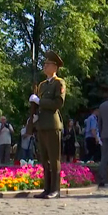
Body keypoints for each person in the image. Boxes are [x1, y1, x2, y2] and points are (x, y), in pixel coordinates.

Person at [29, 50, 66, 199]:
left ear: (55, 67)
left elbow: (58, 103)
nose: (44, 66)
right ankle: (47, 188)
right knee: (44, 158)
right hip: (42, 124)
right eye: (44, 64)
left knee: (54, 158)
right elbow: (37, 105)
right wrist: (34, 114)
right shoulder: (43, 85)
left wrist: (39, 101)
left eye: (47, 64)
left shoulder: (59, 83)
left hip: (52, 124)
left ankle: (55, 189)